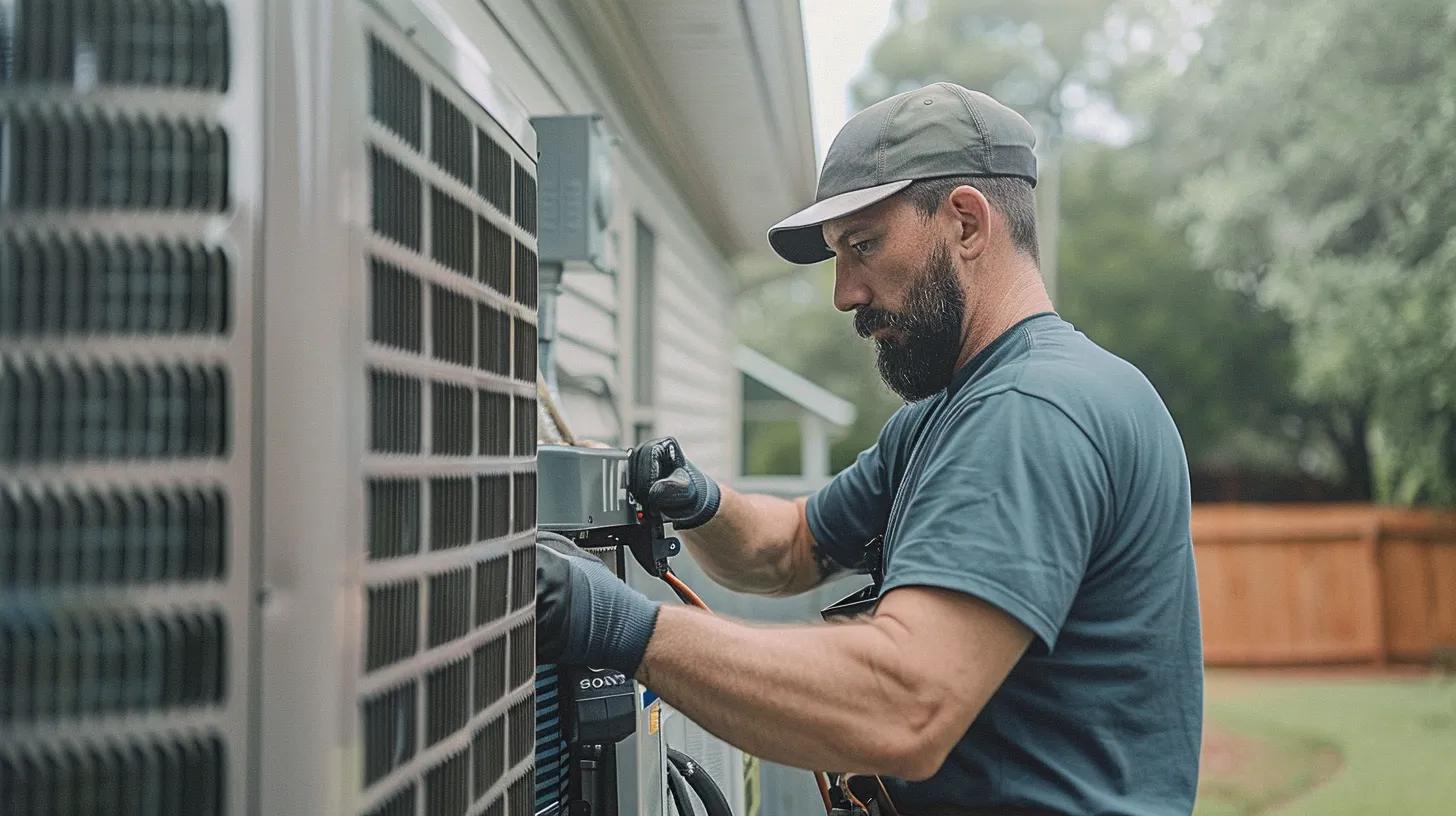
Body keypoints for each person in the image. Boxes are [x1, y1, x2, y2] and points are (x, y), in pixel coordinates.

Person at [536, 83, 1202, 816]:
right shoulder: (949, 414)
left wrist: (618, 627)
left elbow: (903, 705)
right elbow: (790, 547)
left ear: (968, 224)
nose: (844, 293)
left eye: (863, 246)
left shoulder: (1029, 411)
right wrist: (702, 503)